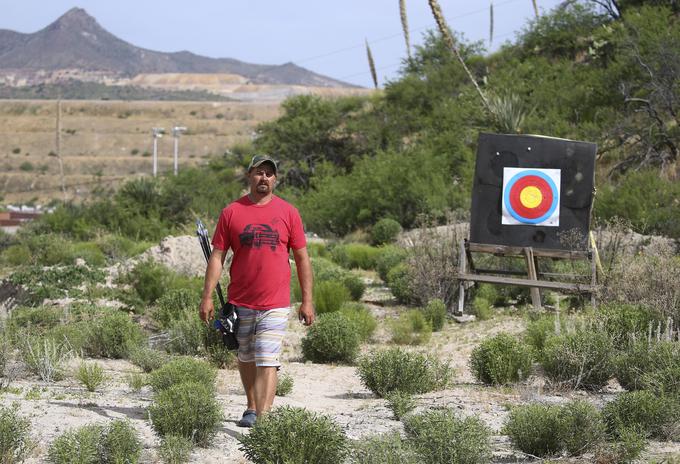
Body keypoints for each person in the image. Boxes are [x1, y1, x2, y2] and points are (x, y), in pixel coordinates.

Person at [199, 154, 315, 428]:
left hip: (275, 302)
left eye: (269, 173)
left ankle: (264, 416)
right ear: (249, 176)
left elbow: (302, 258)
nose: (264, 178)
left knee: (267, 356)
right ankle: (251, 406)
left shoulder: (288, 212)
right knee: (246, 356)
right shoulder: (231, 212)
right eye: (259, 172)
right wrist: (206, 296)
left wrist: (307, 300)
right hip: (240, 301)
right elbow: (217, 256)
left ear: (275, 179)